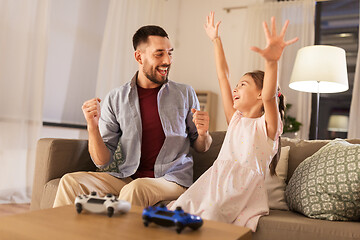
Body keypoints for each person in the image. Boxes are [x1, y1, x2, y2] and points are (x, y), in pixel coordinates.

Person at [53, 25, 212, 208]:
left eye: (170, 53)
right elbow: (103, 161)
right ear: (139, 56)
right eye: (159, 54)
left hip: (171, 179)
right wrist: (92, 127)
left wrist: (203, 134)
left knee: (136, 188)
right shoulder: (116, 98)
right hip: (126, 176)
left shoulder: (185, 93)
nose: (167, 60)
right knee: (70, 182)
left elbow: (202, 147)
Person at [168, 12, 298, 232]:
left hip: (240, 190)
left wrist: (272, 62)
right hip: (213, 182)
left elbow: (269, 96)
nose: (236, 88)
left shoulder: (268, 126)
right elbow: (223, 77)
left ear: (259, 95)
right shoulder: (235, 119)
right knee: (178, 210)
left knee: (209, 218)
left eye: (244, 84)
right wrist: (216, 40)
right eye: (238, 85)